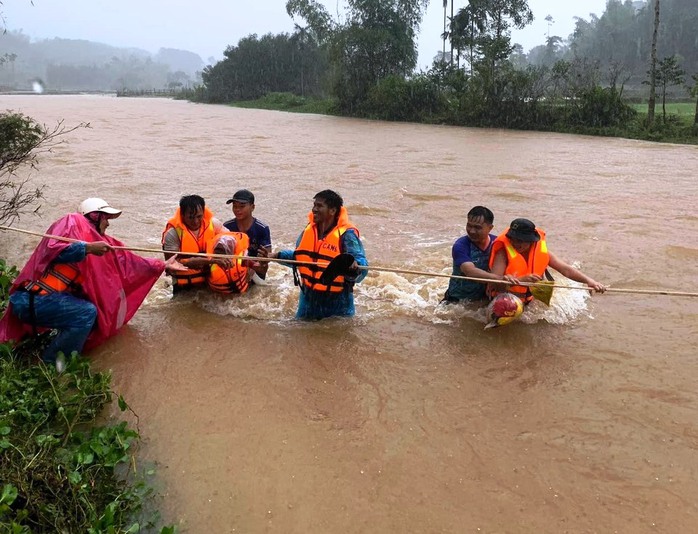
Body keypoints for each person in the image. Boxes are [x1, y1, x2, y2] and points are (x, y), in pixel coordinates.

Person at [0, 198, 165, 370]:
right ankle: (53, 365)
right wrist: (87, 248)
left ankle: (62, 350)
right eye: (105, 217)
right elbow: (54, 251)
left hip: (42, 300)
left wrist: (162, 265)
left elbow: (126, 261)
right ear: (95, 216)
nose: (108, 223)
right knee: (87, 313)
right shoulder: (72, 222)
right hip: (31, 300)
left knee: (95, 312)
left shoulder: (95, 240)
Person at [272, 190, 368, 320]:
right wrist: (275, 256)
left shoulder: (347, 235)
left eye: (319, 206)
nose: (314, 209)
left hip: (338, 306)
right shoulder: (308, 230)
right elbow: (300, 257)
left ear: (332, 211)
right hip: (307, 304)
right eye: (314, 205)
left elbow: (362, 267)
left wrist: (355, 267)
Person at [488, 218, 607, 304]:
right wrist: (520, 280)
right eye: (513, 239)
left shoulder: (540, 252)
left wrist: (589, 281)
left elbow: (565, 269)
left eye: (521, 240)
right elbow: (494, 284)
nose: (515, 243)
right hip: (505, 300)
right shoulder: (502, 253)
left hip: (528, 300)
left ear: (531, 241)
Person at [443, 205, 518, 303]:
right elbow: (470, 271)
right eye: (469, 225)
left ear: (490, 228)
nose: (472, 231)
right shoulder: (461, 245)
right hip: (458, 301)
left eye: (477, 227)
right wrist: (499, 279)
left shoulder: (498, 244)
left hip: (484, 300)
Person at [162, 195, 229, 291]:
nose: (195, 221)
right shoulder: (173, 234)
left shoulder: (214, 224)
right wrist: (211, 260)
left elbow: (231, 240)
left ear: (203, 213)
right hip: (184, 286)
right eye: (191, 217)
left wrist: (222, 253)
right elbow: (172, 264)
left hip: (210, 281)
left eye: (199, 216)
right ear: (182, 215)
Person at [223, 189, 272, 280]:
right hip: (235, 266)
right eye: (235, 206)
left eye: (242, 206)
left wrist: (253, 267)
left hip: (255, 268)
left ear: (252, 207)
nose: (237, 210)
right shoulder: (227, 227)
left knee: (263, 267)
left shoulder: (262, 228)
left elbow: (267, 255)